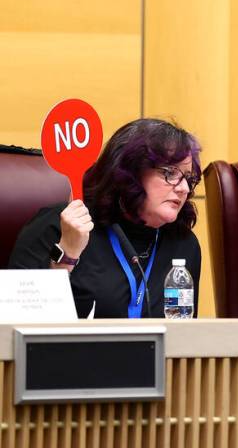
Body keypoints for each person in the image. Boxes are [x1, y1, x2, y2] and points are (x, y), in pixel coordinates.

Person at [10, 118, 203, 318]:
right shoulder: (57, 226)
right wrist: (67, 252)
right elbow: (18, 324)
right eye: (170, 173)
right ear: (130, 173)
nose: (184, 188)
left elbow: (185, 338)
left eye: (188, 178)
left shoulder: (184, 244)